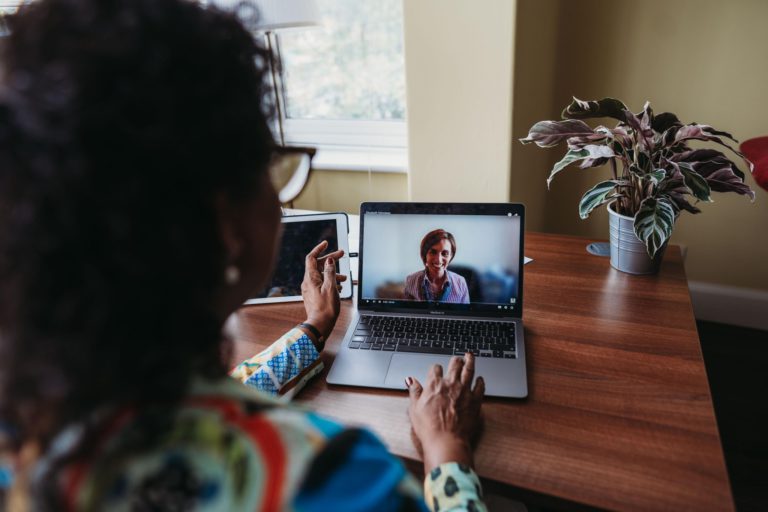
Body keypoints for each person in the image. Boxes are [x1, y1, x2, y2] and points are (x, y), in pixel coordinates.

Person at [0, 1, 487, 510]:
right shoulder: (341, 482)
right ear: (227, 221)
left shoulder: (37, 411)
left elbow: (220, 391)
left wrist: (313, 328)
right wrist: (447, 450)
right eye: (269, 165)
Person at [404, 230, 470, 304]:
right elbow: (407, 310)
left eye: (445, 253)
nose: (438, 260)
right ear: (425, 254)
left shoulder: (460, 283)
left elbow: (465, 311)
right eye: (433, 252)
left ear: (451, 256)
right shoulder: (411, 280)